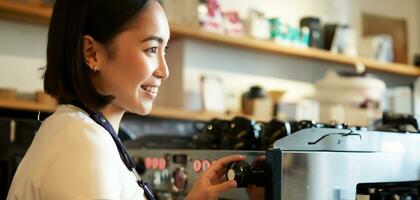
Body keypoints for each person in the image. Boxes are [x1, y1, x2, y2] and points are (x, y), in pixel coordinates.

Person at [7, 0, 245, 199]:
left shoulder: (81, 131)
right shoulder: (81, 143)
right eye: (151, 49)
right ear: (92, 53)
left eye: (165, 51)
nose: (164, 70)